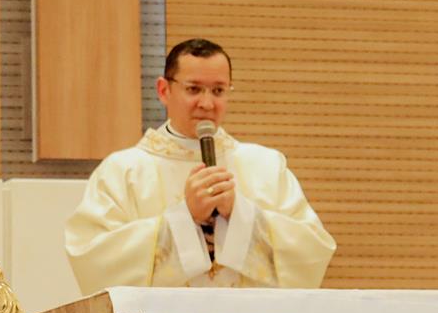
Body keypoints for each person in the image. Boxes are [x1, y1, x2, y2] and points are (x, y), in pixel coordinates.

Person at [65, 39, 336, 292]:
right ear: (164, 90)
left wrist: (240, 214)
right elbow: (91, 262)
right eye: (193, 89)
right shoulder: (123, 171)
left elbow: (312, 252)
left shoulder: (265, 167)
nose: (207, 104)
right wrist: (184, 218)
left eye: (218, 91)